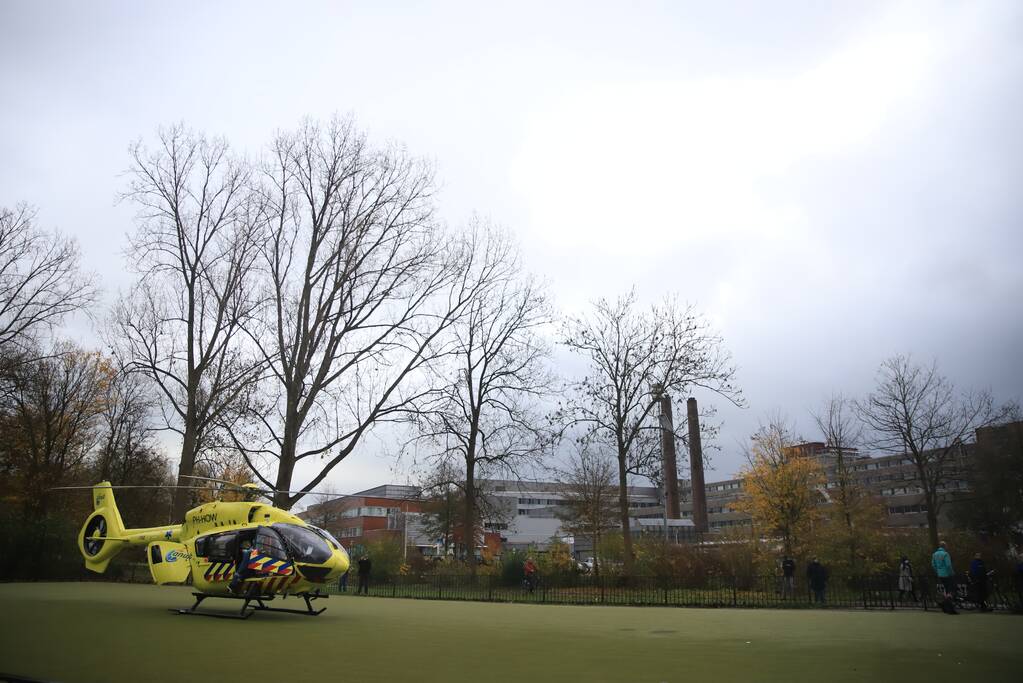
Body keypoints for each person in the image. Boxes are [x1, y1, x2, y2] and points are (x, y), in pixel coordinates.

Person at [931, 541, 957, 614]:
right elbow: (948, 565)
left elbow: (933, 565)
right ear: (945, 546)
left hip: (940, 575)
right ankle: (949, 607)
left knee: (947, 589)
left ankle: (944, 605)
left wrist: (938, 571)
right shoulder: (945, 554)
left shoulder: (934, 554)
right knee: (951, 589)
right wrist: (952, 573)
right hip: (947, 574)